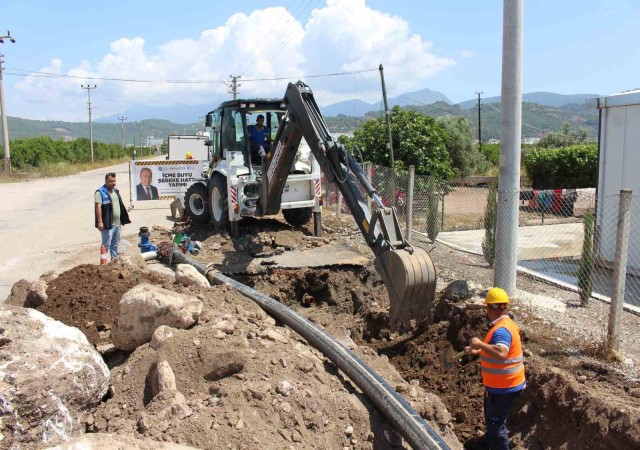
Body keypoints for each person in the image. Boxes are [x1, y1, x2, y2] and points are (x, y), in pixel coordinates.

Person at [465, 287, 526, 450]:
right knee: (491, 415)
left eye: (487, 307)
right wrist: (478, 350)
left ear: (491, 308)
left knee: (495, 422)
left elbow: (501, 352)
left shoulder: (501, 331)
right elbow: (497, 349)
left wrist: (480, 344)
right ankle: (490, 439)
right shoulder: (507, 323)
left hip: (504, 387)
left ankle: (497, 443)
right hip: (505, 384)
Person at [95, 172, 131, 260]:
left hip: (117, 224)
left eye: (114, 181)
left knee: (115, 244)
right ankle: (104, 263)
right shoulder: (100, 192)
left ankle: (114, 261)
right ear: (106, 181)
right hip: (108, 225)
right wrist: (100, 222)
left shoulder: (115, 190)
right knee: (106, 245)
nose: (113, 183)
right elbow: (98, 207)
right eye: (111, 181)